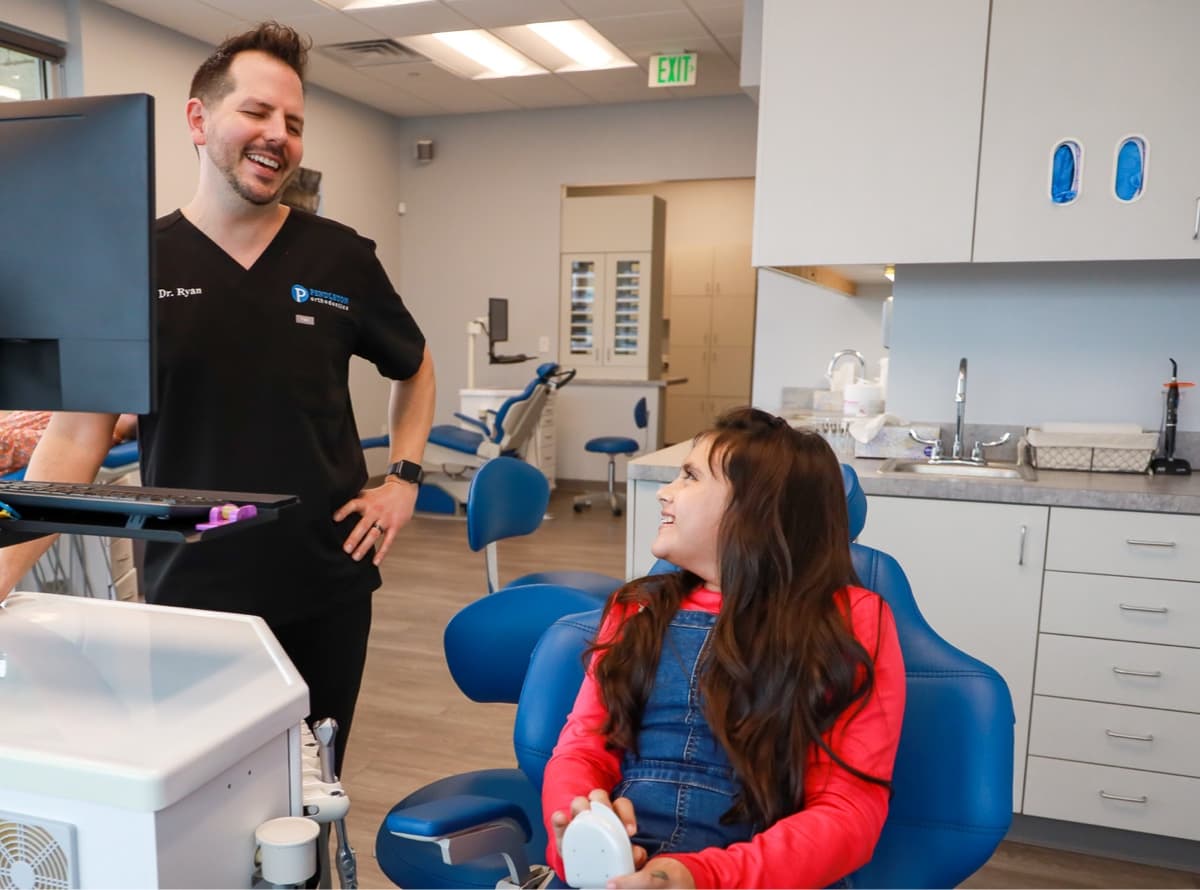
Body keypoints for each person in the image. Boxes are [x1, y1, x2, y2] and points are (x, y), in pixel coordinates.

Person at [0, 22, 436, 774]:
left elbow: (416, 365)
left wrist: (403, 480)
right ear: (199, 121)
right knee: (206, 793)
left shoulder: (342, 257)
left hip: (324, 584)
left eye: (294, 123)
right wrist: (3, 567)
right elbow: (77, 439)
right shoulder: (131, 264)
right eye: (259, 113)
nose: (279, 136)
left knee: (312, 792)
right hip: (189, 594)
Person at [542, 408, 905, 889]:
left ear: (755, 509)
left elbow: (848, 811)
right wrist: (581, 828)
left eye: (689, 476)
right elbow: (582, 750)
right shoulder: (635, 610)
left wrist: (701, 878)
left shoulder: (852, 620)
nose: (665, 492)